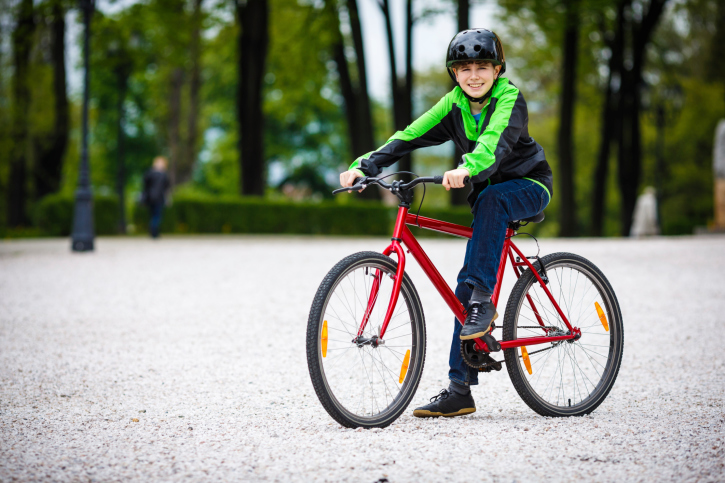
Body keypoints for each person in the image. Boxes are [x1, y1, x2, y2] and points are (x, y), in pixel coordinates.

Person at [339, 29, 553, 418]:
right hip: (488, 198)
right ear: (454, 74)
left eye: (482, 67)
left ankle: (483, 306)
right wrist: (363, 166)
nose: (474, 75)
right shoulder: (453, 104)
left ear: (498, 69)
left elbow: (493, 144)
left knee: (489, 209)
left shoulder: (510, 98)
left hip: (528, 186)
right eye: (465, 67)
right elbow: (408, 137)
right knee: (464, 286)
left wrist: (466, 168)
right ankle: (460, 391)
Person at [142, 156, 171, 238]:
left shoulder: (149, 173)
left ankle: (153, 231)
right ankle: (154, 231)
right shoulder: (164, 175)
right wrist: (168, 199)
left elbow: (145, 186)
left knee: (152, 215)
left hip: (150, 197)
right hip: (159, 198)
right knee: (157, 215)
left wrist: (144, 197)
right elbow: (166, 189)